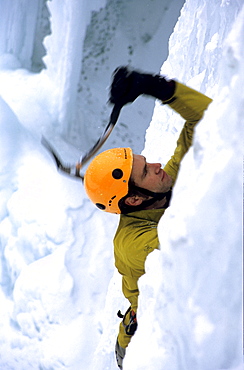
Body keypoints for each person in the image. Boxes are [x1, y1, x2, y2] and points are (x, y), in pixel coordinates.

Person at [84, 66, 212, 369]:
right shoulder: (135, 244)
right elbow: (199, 247)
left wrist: (155, 87)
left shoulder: (158, 190)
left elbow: (208, 122)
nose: (156, 164)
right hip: (142, 347)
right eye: (145, 170)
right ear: (134, 199)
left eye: (145, 161)